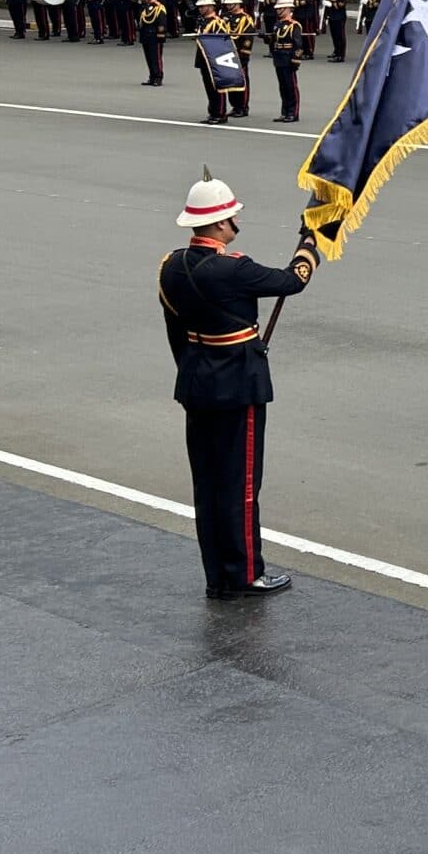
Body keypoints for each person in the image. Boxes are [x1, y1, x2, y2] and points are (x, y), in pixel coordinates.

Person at [157, 176, 319, 600]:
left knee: (208, 484)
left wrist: (194, 370)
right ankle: (246, 574)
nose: (236, 221)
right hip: (236, 387)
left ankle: (218, 576)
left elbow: (176, 332)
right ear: (220, 224)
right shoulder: (234, 269)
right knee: (242, 486)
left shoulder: (170, 266)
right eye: (232, 216)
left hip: (197, 384)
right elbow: (293, 280)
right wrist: (311, 242)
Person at [266, 0, 304, 123]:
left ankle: (293, 113)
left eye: (281, 8)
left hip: (288, 57)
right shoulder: (278, 25)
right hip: (279, 57)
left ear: (288, 9)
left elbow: (298, 45)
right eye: (277, 8)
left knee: (291, 87)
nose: (278, 11)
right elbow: (274, 40)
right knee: (283, 87)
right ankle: (285, 112)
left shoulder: (294, 25)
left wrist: (296, 60)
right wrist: (266, 38)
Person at [136, 0, 168, 86]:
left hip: (155, 35)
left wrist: (161, 35)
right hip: (146, 34)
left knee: (156, 58)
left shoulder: (159, 7)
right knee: (149, 57)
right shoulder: (145, 6)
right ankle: (152, 76)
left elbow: (162, 22)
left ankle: (158, 77)